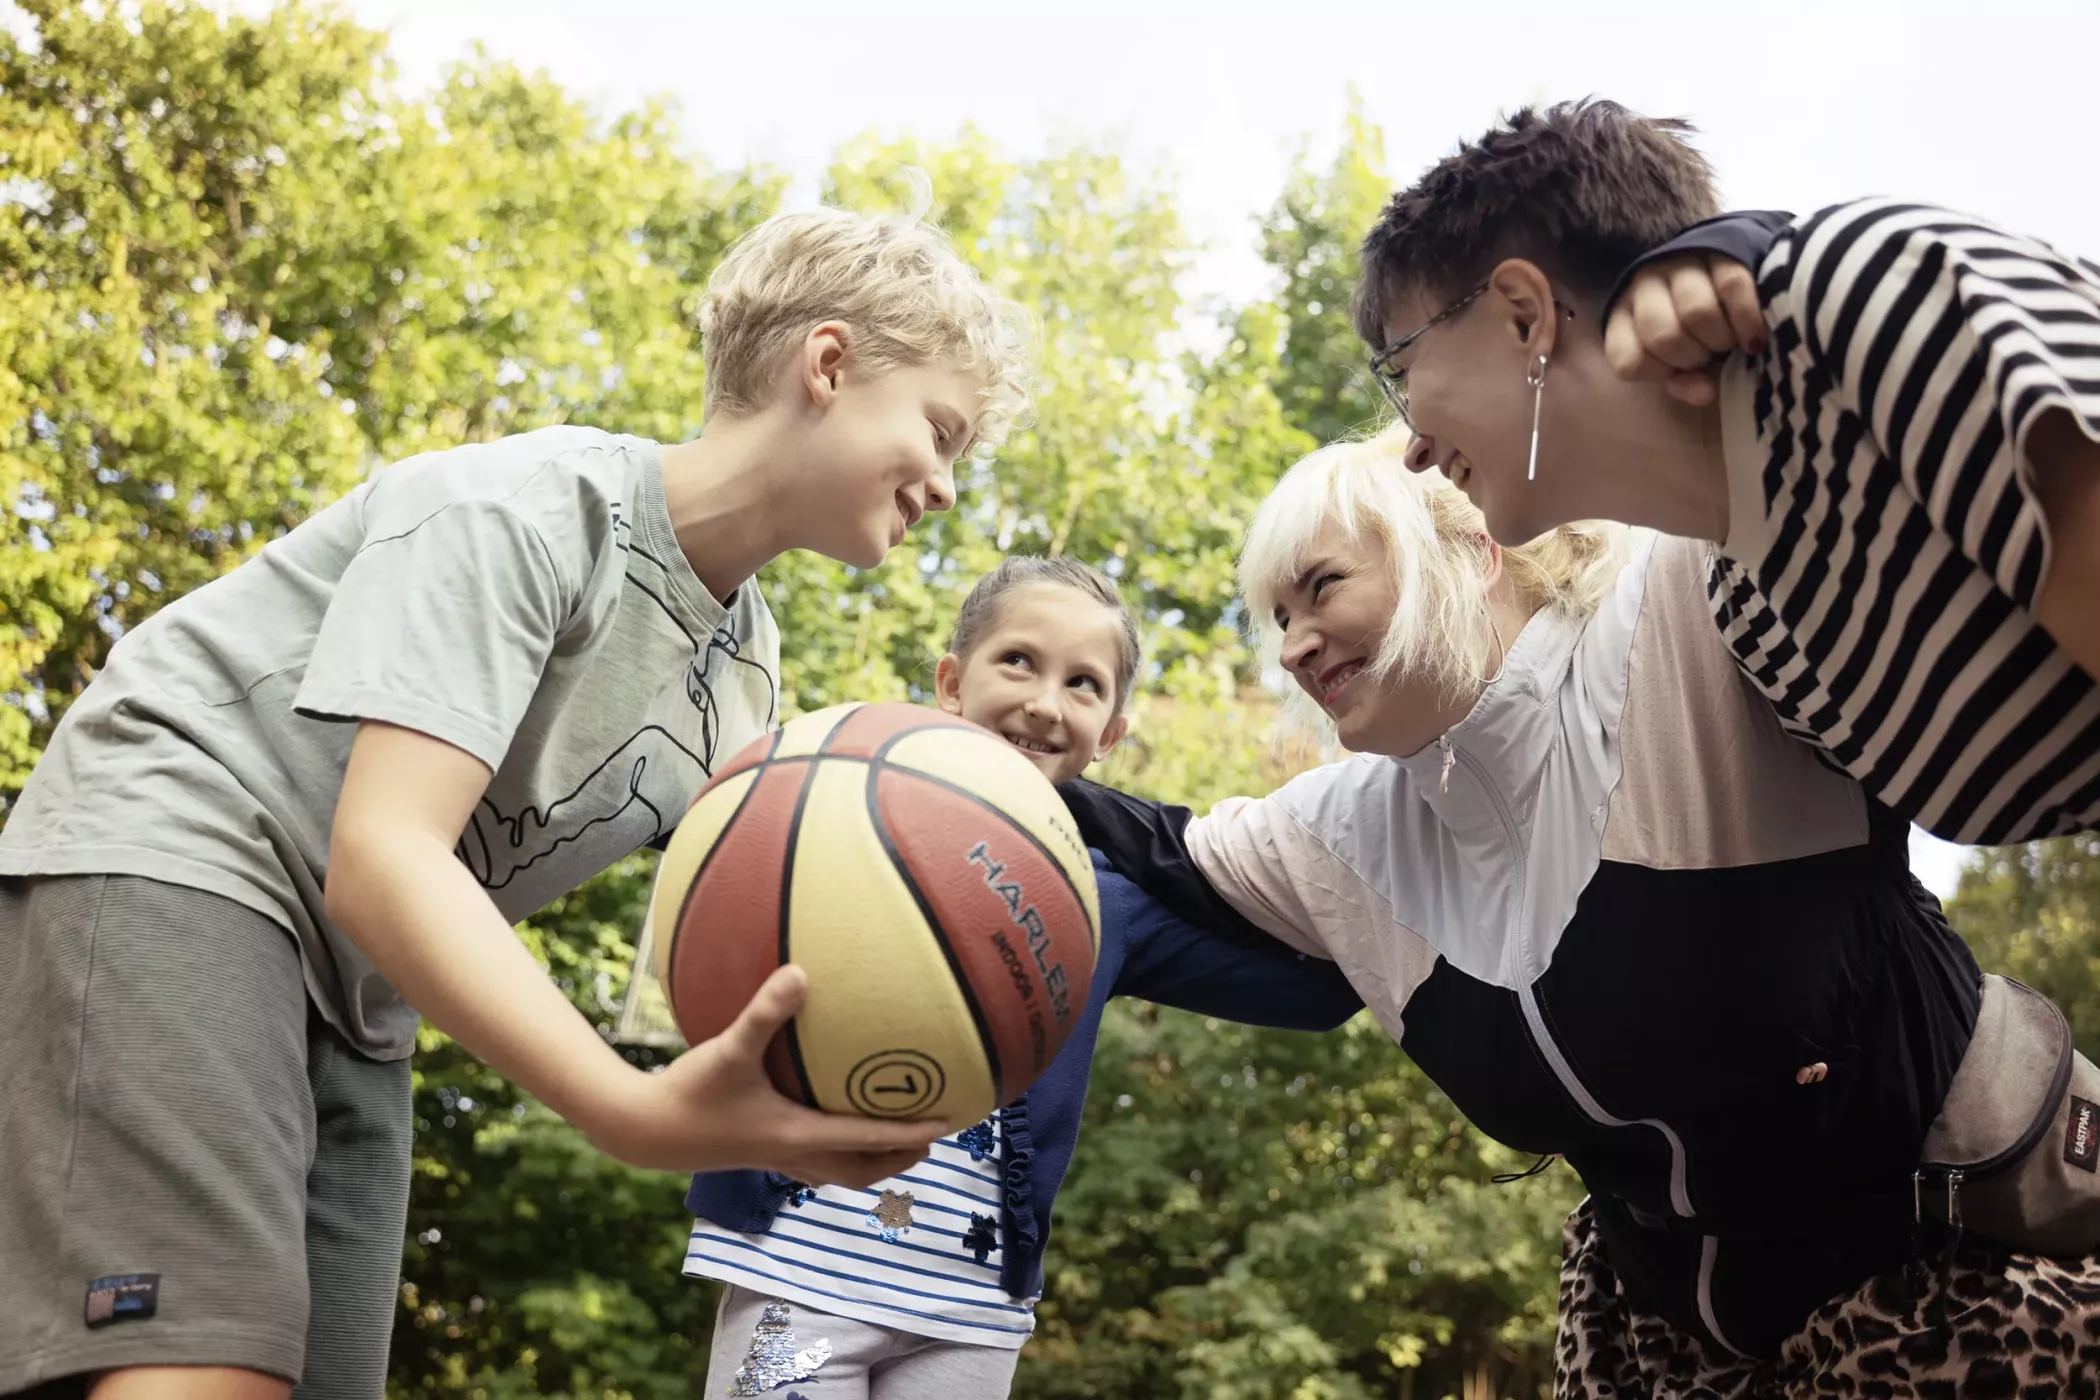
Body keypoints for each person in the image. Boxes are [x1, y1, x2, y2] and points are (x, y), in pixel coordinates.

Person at [0, 189, 1034, 1400]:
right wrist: (631, 1111)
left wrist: (887, 1047)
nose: (948, 486)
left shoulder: (745, 686)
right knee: (204, 1362)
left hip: (357, 993)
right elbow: (387, 853)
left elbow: (759, 943)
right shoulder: (528, 507)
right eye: (942, 433)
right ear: (827, 363)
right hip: (186, 845)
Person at [1062, 431, 2100, 1397]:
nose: (1291, 646)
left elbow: (1850, 479)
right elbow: (1147, 843)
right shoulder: (1341, 828)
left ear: (1467, 550)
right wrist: (943, 751)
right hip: (1661, 1348)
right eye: (1278, 616)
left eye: (1322, 586)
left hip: (1976, 1292)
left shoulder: (1683, 601)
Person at [681, 556, 1362, 1399]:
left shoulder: (1102, 898)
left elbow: (1324, 987)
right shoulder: (830, 812)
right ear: (951, 682)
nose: (1046, 701)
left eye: (1084, 684)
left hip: (967, 1309)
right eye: (1018, 662)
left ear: (1110, 733)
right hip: (798, 1271)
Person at [1350, 97, 2100, 847]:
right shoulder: (1752, 620)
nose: (1412, 448)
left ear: (1523, 314)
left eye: (1402, 369)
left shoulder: (1850, 302)